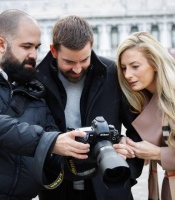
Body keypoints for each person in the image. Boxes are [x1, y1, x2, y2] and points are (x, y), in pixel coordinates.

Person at [0, 9, 90, 200]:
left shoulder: (35, 91)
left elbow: (55, 150)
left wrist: (88, 152)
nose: (34, 55)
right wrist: (49, 142)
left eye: (36, 47)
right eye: (27, 46)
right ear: (2, 44)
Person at [36, 15, 144, 200]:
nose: (78, 69)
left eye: (84, 60)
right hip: (57, 189)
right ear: (53, 51)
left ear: (91, 46)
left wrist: (127, 173)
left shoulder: (113, 73)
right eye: (69, 62)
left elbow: (139, 129)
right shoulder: (36, 80)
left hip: (111, 188)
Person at [115, 31, 175, 200]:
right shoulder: (142, 101)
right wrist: (127, 144)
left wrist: (158, 153)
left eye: (135, 66)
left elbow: (156, 149)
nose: (127, 75)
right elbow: (148, 145)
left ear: (155, 63)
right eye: (124, 68)